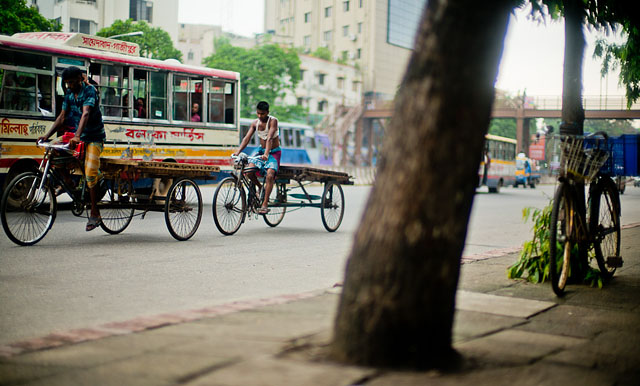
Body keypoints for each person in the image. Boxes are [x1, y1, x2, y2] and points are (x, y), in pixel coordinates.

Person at [38, 66, 106, 232]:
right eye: (66, 83)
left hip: (93, 138)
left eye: (72, 82)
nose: (69, 85)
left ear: (80, 78)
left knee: (90, 173)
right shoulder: (69, 94)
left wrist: (77, 135)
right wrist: (47, 136)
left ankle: (95, 212)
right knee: (52, 149)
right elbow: (62, 117)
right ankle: (68, 182)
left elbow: (86, 113)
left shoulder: (90, 91)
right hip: (75, 134)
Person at [233, 101, 281, 214]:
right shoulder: (255, 123)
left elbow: (269, 138)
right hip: (261, 152)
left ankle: (264, 204)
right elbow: (247, 138)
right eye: (258, 113)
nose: (260, 116)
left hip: (273, 153)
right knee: (249, 172)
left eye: (263, 114)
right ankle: (260, 187)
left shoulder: (273, 121)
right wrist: (238, 152)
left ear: (267, 112)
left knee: (270, 175)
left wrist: (267, 154)